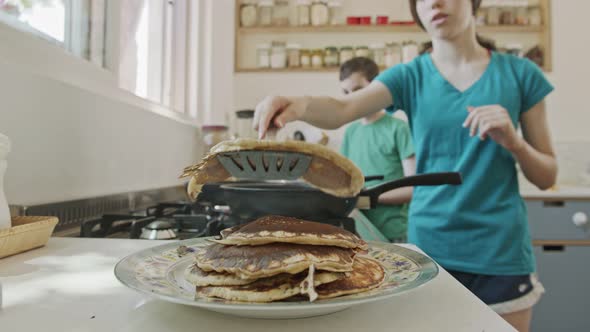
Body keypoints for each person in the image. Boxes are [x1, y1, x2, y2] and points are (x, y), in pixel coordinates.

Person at [252, 1, 557, 331]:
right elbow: (342, 108)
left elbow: (546, 176)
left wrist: (514, 142)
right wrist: (298, 104)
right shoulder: (410, 75)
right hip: (432, 250)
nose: (435, 3)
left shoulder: (520, 74)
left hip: (500, 253)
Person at [339, 57, 416, 243]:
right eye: (345, 92)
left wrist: (368, 198)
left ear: (375, 87)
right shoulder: (351, 132)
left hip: (395, 234)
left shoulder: (398, 129)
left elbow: (413, 189)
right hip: (359, 234)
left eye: (357, 90)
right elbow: (343, 183)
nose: (351, 98)